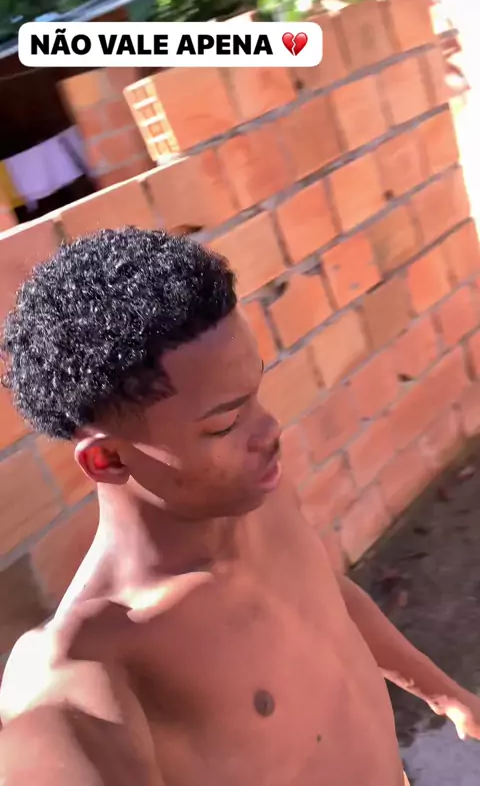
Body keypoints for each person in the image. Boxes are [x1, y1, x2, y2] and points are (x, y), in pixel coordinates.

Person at [0, 227, 478, 786]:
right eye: (225, 422)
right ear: (107, 459)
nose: (269, 430)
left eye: (256, 393)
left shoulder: (259, 498)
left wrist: (444, 695)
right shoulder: (85, 669)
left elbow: (327, 600)